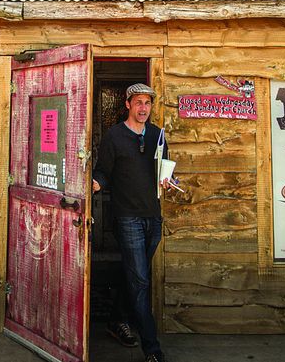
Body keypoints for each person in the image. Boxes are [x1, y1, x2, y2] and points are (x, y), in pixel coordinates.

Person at [92, 83, 169, 362]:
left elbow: (165, 170)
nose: (143, 108)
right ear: (127, 104)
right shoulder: (114, 136)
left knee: (136, 276)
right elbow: (103, 170)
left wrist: (169, 181)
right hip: (127, 218)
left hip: (153, 216)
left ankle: (116, 320)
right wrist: (97, 183)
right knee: (139, 280)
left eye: (147, 103)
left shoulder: (158, 135)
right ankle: (152, 348)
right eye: (138, 102)